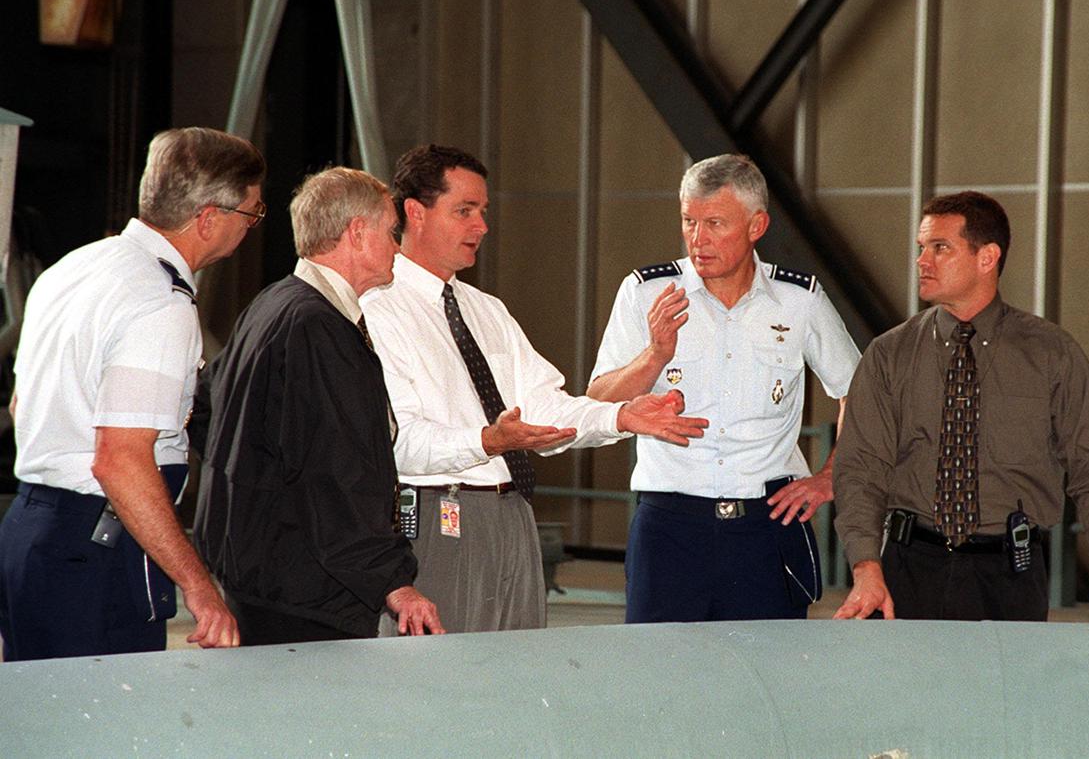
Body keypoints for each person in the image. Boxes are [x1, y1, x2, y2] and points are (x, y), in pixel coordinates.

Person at [361, 144, 707, 634]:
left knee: (517, 682)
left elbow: (545, 407)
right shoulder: (378, 311)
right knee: (440, 692)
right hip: (439, 516)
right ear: (415, 214)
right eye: (465, 211)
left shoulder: (488, 311)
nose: (481, 226)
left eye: (483, 212)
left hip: (514, 518)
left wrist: (621, 416)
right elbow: (400, 445)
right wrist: (489, 441)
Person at [832, 191, 1089, 624]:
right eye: (921, 248)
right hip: (907, 570)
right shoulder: (889, 354)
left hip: (1010, 574)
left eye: (940, 248)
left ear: (987, 257)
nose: (922, 261)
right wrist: (865, 566)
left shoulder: (1051, 354)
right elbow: (860, 468)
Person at [0, 127, 263, 661]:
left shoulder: (72, 268)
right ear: (209, 218)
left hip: (30, 528)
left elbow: (20, 405)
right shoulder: (159, 303)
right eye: (252, 214)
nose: (254, 227)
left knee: (42, 733)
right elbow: (120, 461)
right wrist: (198, 585)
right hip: (93, 548)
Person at [587, 153, 859, 623]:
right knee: (660, 683)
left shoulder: (800, 301)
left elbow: (858, 392)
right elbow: (596, 401)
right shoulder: (646, 293)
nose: (698, 239)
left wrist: (831, 476)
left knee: (767, 687)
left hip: (768, 528)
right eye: (689, 221)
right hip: (669, 526)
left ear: (757, 226)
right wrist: (654, 354)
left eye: (715, 223)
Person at [192, 167, 443, 644]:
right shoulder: (317, 327)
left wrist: (257, 492)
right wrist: (394, 582)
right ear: (357, 233)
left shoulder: (271, 306)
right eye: (392, 232)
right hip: (308, 592)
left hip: (260, 576)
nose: (398, 246)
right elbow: (337, 472)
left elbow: (205, 411)